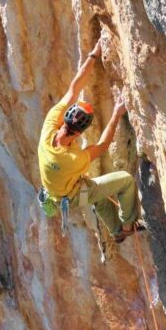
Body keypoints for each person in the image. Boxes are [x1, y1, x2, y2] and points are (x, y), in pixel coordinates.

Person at [37, 41, 143, 243]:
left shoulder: (49, 127)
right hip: (74, 196)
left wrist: (94, 55)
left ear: (64, 121)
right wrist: (116, 113)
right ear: (78, 134)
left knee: (98, 195)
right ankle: (128, 226)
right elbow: (102, 146)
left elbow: (73, 89)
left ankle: (116, 232)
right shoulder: (71, 159)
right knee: (125, 180)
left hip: (60, 195)